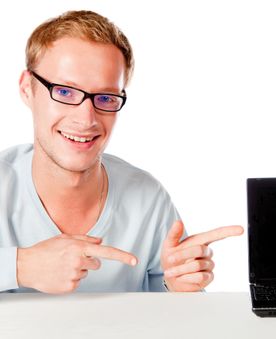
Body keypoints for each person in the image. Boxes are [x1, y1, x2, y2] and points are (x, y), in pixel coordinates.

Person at [0, 10, 243, 294]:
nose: (86, 118)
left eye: (105, 98)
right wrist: (19, 266)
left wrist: (176, 287)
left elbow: (170, 317)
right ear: (27, 89)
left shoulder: (147, 198)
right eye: (65, 92)